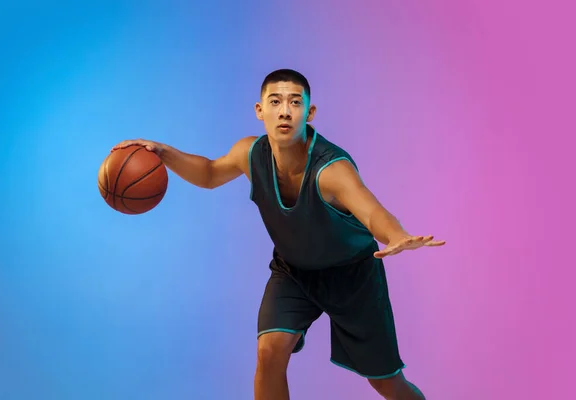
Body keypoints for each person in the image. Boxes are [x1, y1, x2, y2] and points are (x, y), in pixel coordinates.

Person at [112, 69, 445, 400]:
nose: (285, 110)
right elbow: (211, 173)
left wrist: (396, 234)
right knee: (270, 352)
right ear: (260, 111)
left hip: (353, 277)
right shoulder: (249, 153)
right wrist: (162, 152)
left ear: (309, 112)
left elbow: (372, 211)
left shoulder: (331, 169)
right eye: (275, 101)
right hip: (293, 272)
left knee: (387, 383)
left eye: (295, 102)